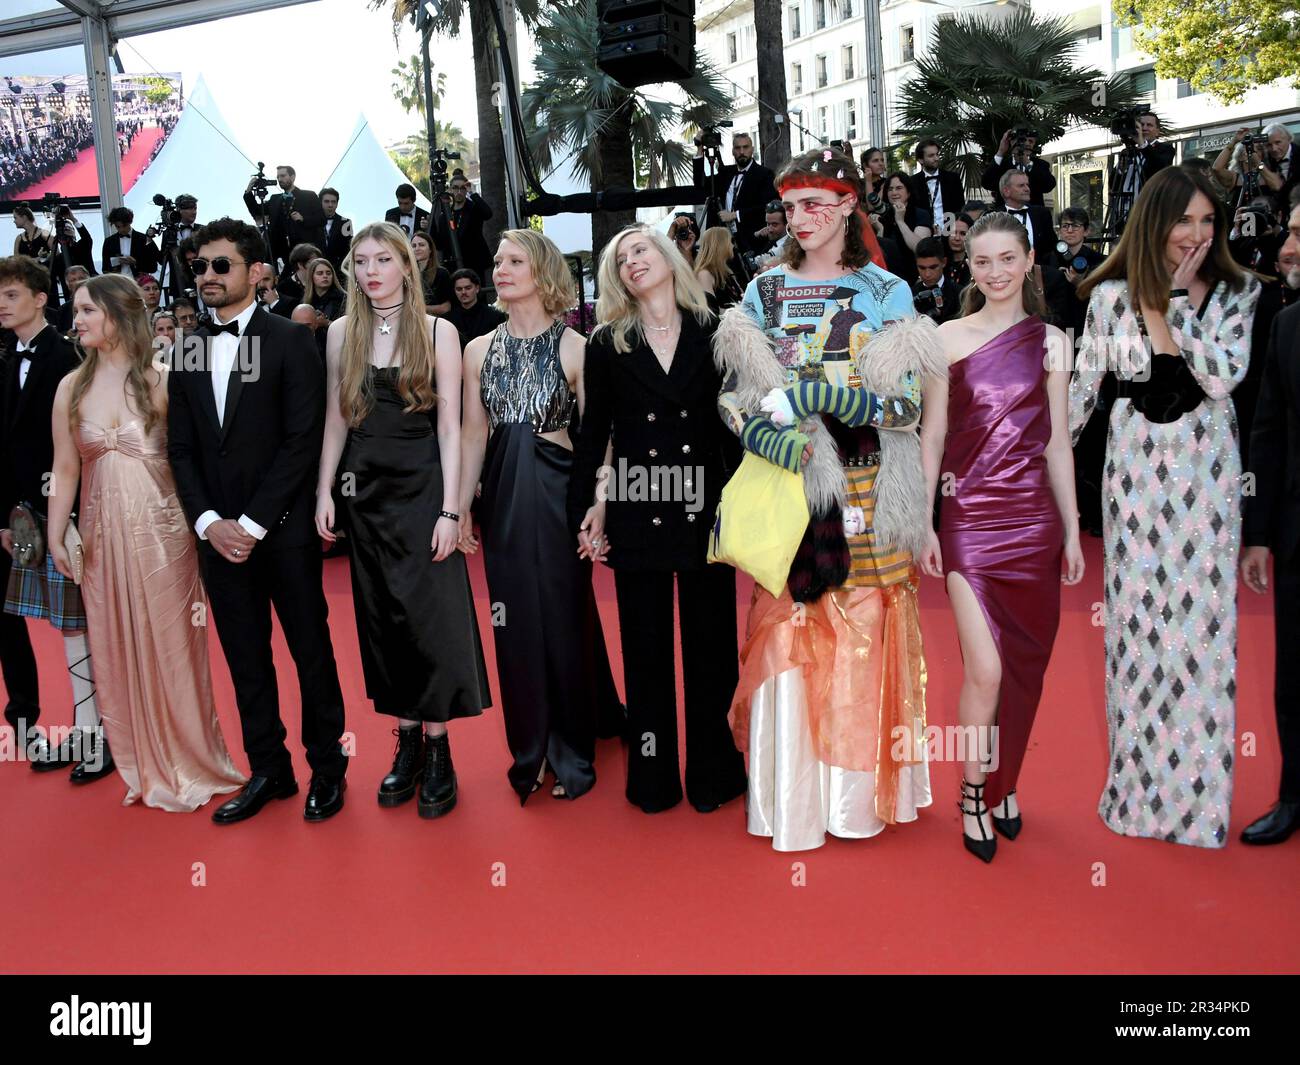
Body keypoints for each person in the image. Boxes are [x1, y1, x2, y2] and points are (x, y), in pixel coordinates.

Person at [716, 146, 942, 852]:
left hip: (870, 481)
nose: (799, 218)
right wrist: (765, 435)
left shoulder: (887, 292)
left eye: (815, 203)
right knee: (786, 630)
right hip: (789, 488)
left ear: (849, 205)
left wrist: (829, 396)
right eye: (789, 206)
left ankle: (853, 800)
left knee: (863, 628)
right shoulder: (761, 291)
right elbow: (730, 398)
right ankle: (793, 798)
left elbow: (907, 405)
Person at [1070, 166, 1260, 848]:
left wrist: (1168, 304)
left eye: (1210, 221)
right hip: (1136, 483)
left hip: (1208, 475)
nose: (1199, 235)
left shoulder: (1237, 293)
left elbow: (1219, 374)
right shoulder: (1109, 299)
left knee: (1202, 640)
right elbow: (1080, 396)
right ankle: (1137, 796)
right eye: (1186, 221)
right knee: (1139, 635)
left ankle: (1199, 809)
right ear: (1155, 221)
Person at [167, 216, 350, 824]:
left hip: (283, 532)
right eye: (200, 266)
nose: (209, 275)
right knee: (246, 660)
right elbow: (183, 449)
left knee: (310, 653)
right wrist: (209, 524)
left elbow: (303, 440)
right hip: (218, 540)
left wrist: (252, 523)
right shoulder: (188, 346)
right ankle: (269, 770)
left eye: (222, 264)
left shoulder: (290, 339)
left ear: (256, 271)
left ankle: (328, 768)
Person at [918, 212, 1084, 862]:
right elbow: (932, 435)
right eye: (982, 261)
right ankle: (974, 790)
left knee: (1025, 670)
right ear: (970, 267)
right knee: (985, 670)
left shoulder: (1053, 342)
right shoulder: (945, 337)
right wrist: (925, 518)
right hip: (968, 522)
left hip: (1034, 522)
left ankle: (1007, 781)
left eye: (1005, 259)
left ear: (1028, 260)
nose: (994, 272)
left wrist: (1071, 531)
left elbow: (1059, 444)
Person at [47, 275, 246, 810]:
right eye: (77, 311)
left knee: (175, 645)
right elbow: (65, 470)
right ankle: (140, 760)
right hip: (100, 535)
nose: (78, 319)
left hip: (165, 535)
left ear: (118, 314)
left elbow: (192, 457)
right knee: (115, 644)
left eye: (88, 310)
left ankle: (192, 760)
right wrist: (56, 532)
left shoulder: (163, 379)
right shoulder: (71, 388)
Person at [568, 224, 747, 814]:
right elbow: (596, 434)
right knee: (644, 647)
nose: (632, 263)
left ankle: (714, 771)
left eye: (640, 250)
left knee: (711, 646)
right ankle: (652, 777)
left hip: (706, 505)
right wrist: (593, 502)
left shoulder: (716, 330)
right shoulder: (606, 343)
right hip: (637, 501)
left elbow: (736, 425)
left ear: (669, 258)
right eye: (621, 260)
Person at [316, 222, 490, 817]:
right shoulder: (341, 332)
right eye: (360, 261)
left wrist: (451, 508)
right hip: (366, 495)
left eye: (382, 260)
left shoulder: (438, 330)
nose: (370, 271)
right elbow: (337, 420)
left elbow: (451, 426)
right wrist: (324, 492)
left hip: (423, 492)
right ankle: (407, 742)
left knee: (430, 619)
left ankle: (440, 750)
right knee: (384, 619)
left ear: (405, 267)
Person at [459, 228, 621, 802]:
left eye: (513, 260)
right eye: (496, 260)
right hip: (502, 494)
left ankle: (571, 749)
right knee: (514, 620)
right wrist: (458, 509)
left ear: (543, 270)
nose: (499, 269)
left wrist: (600, 502)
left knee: (563, 612)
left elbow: (600, 439)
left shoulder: (577, 347)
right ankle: (530, 748)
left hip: (561, 495)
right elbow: (473, 435)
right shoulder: (477, 350)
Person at [0, 255, 109, 780]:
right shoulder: (5, 355)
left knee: (82, 624)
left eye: (11, 294)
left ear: (41, 298)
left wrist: (65, 517)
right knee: (68, 627)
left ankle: (101, 735)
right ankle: (88, 730)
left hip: (70, 510)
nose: (1, 303)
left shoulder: (68, 359)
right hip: (26, 514)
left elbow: (75, 449)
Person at [1240, 202, 1300, 845]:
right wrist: (1257, 533)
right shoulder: (1284, 325)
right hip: (1294, 535)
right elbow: (1268, 432)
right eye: (1290, 231)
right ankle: (1293, 796)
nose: (1286, 246)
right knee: (1293, 678)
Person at [693, 132, 778, 256]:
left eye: (745, 147)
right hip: (722, 243)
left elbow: (767, 207)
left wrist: (735, 215)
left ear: (752, 149)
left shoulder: (764, 174)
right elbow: (700, 184)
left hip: (750, 242)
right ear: (733, 151)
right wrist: (700, 148)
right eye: (738, 148)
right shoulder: (726, 173)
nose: (742, 151)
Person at [435, 175, 496, 280]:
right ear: (450, 190)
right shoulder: (445, 214)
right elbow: (440, 243)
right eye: (455, 188)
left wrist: (472, 193)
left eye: (462, 188)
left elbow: (488, 214)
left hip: (474, 263)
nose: (459, 191)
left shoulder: (473, 209)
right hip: (453, 265)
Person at [265, 165, 326, 267]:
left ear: (292, 177)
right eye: (278, 177)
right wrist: (249, 191)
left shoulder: (309, 195)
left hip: (306, 252)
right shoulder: (275, 199)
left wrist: (303, 219)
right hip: (283, 254)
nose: (280, 179)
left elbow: (322, 219)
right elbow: (257, 211)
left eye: (283, 176)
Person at [981, 128, 1057, 208]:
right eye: (1023, 140)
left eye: (1031, 141)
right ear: (1011, 142)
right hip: (1005, 216)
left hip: (1033, 216)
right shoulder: (1001, 165)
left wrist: (1027, 162)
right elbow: (987, 183)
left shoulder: (1040, 165)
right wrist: (1001, 151)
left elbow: (1048, 186)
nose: (1027, 144)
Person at [995, 171, 1056, 267]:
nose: (1027, 189)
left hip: (1038, 275)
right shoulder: (993, 218)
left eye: (1027, 185)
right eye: (1021, 186)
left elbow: (1051, 248)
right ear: (1006, 191)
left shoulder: (1042, 214)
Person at [879, 171, 932, 282]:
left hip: (913, 277)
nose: (894, 193)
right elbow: (879, 252)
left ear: (908, 192)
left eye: (899, 188)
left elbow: (919, 247)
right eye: (890, 189)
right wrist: (880, 229)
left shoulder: (920, 214)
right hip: (888, 278)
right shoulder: (883, 216)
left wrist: (900, 221)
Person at [446, 268, 506, 348]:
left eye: (468, 288)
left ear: (477, 288)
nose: (463, 292)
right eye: (459, 289)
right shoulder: (448, 320)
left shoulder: (495, 315)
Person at [914, 139, 965, 232]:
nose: (936, 158)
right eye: (931, 155)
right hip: (924, 233)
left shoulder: (953, 178)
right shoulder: (912, 182)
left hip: (950, 232)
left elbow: (960, 207)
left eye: (937, 154)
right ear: (920, 160)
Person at [911, 236, 960, 324]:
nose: (927, 274)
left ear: (944, 262)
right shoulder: (910, 295)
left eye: (933, 267)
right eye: (922, 268)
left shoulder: (960, 294)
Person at [694, 227, 744, 313]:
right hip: (725, 323)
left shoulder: (727, 272)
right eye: (730, 241)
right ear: (721, 245)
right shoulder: (704, 274)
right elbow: (711, 310)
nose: (732, 245)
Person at [101, 207, 159, 278]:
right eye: (118, 227)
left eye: (124, 226)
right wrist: (115, 264)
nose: (121, 229)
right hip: (117, 283)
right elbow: (105, 269)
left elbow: (153, 267)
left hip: (139, 283)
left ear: (130, 222)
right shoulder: (109, 242)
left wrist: (135, 263)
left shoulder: (145, 239)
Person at [410, 232, 452, 316]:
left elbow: (446, 307)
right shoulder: (406, 273)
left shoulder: (441, 273)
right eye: (414, 246)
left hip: (433, 322)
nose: (417, 248)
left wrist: (420, 308)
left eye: (421, 245)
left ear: (430, 249)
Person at [319, 187, 351, 272]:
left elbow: (348, 249)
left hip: (338, 270)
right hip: (316, 268)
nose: (330, 205)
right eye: (326, 201)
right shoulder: (312, 222)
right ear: (320, 202)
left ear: (337, 204)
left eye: (333, 202)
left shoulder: (346, 222)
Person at [305, 257, 346, 322]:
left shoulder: (343, 299)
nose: (325, 276)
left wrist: (326, 323)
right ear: (311, 276)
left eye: (328, 273)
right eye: (320, 273)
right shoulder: (305, 301)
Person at [945, 212, 973, 291]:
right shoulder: (939, 262)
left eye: (963, 234)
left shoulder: (975, 264)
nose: (957, 238)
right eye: (953, 233)